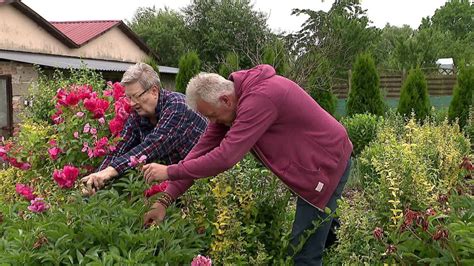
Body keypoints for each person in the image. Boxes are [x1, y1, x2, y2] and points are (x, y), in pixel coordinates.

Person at [142, 64, 352, 265]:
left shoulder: (260, 99)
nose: (212, 122)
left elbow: (226, 157)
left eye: (212, 116)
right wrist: (165, 200)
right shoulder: (233, 104)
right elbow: (199, 152)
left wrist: (170, 171)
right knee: (324, 234)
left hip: (326, 166)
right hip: (312, 164)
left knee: (303, 251)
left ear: (225, 100)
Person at [81, 62, 208, 193]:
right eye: (128, 97)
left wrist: (110, 171)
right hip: (178, 184)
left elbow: (153, 146)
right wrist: (96, 179)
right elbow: (119, 148)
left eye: (136, 96)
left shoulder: (178, 107)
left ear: (154, 91)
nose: (131, 103)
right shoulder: (138, 115)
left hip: (206, 185)